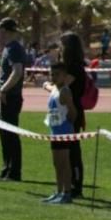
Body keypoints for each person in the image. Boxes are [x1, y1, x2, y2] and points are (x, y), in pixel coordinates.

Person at [0, 18, 26, 181]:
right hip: (6, 96)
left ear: (6, 31)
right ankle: (7, 168)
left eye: (0, 30)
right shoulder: (9, 48)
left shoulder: (14, 48)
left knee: (10, 134)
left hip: (10, 97)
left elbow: (17, 71)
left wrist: (4, 88)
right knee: (4, 134)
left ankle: (14, 171)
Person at [41, 63, 77, 204]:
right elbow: (48, 86)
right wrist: (45, 84)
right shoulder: (55, 89)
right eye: (52, 74)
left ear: (64, 76)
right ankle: (58, 191)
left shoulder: (65, 92)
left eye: (57, 74)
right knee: (56, 163)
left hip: (63, 132)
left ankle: (67, 193)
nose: (54, 77)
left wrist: (69, 127)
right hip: (54, 131)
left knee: (64, 163)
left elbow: (73, 112)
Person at [59, 32, 88, 198]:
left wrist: (48, 85)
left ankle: (77, 185)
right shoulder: (68, 65)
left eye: (62, 45)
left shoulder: (75, 66)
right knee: (66, 148)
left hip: (73, 110)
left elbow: (61, 86)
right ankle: (68, 184)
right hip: (65, 110)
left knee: (73, 149)